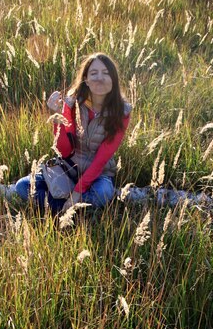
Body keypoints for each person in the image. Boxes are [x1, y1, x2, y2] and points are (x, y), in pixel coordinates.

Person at [14, 52, 132, 213]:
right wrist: (57, 119)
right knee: (22, 186)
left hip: (98, 173)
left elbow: (102, 157)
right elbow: (64, 150)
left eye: (106, 73)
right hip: (69, 167)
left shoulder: (122, 111)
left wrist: (76, 193)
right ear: (86, 80)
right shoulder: (72, 103)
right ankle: (68, 210)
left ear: (113, 79)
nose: (100, 78)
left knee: (103, 193)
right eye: (94, 73)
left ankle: (57, 207)